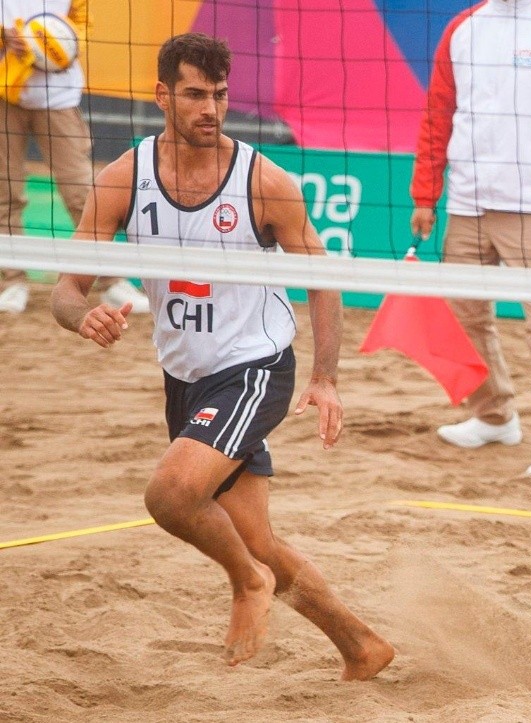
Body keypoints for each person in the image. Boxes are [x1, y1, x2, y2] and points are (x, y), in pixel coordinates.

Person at [50, 33, 393, 680]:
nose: (212, 108)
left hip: (256, 369)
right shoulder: (123, 177)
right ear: (162, 96)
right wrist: (82, 315)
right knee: (257, 538)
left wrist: (324, 377)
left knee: (171, 493)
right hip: (185, 378)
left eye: (221, 94)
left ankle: (246, 585)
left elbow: (323, 277)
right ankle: (362, 644)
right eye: (196, 94)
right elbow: (65, 289)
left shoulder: (265, 181)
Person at [410, 0, 531, 479]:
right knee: (465, 318)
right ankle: (494, 416)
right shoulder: (463, 27)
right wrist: (425, 192)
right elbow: (438, 114)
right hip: (467, 200)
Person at [0, 0, 148, 314]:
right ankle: (11, 281)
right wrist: (3, 36)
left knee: (83, 193)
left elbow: (81, 24)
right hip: (4, 90)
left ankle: (110, 280)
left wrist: (66, 46)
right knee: (5, 193)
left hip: (58, 95)